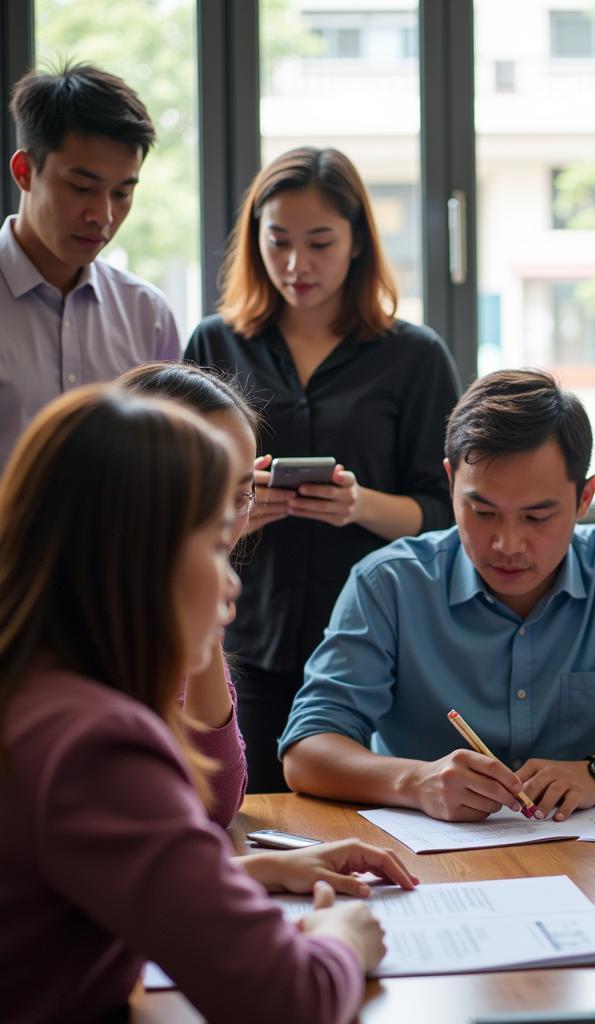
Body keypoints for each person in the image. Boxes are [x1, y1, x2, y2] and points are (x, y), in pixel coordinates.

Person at [0, 386, 419, 1023]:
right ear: (141, 554)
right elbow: (287, 999)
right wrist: (341, 942)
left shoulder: (37, 687)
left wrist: (251, 873)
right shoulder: (93, 742)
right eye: (216, 543)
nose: (231, 582)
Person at [280, 369, 595, 823]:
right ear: (450, 484)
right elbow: (306, 751)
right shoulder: (389, 584)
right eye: (482, 511)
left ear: (585, 498)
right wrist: (414, 781)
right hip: (435, 874)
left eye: (537, 517)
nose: (507, 544)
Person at [186, 146, 459, 792]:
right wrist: (238, 517)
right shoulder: (213, 344)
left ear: (359, 240)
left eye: (319, 243)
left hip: (378, 649)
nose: (295, 264)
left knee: (380, 835)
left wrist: (359, 505)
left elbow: (450, 513)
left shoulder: (414, 357)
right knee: (244, 814)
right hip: (244, 643)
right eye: (277, 241)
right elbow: (174, 515)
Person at [1, 62, 180, 469]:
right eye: (82, 188)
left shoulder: (147, 315)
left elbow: (170, 468)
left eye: (122, 193)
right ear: (25, 172)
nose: (103, 215)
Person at [117, 361, 261, 825]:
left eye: (241, 496)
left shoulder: (181, 605)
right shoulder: (76, 618)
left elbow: (215, 803)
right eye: (205, 493)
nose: (227, 522)